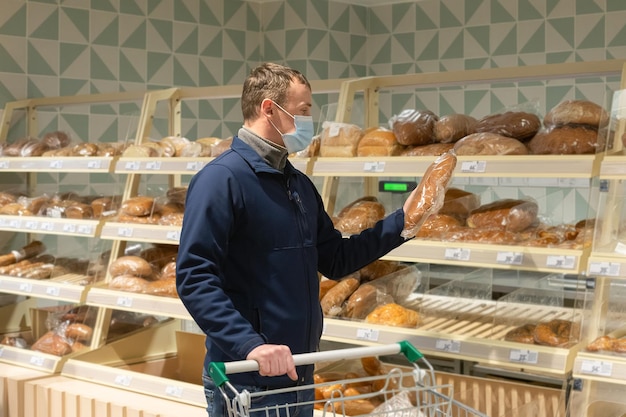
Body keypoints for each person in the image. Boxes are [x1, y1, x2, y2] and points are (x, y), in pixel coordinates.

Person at [176, 62, 421, 417]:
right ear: (269, 109)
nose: (309, 121)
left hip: (299, 372)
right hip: (247, 378)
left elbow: (335, 258)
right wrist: (249, 346)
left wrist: (403, 222)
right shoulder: (221, 180)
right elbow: (194, 278)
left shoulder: (298, 185)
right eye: (303, 110)